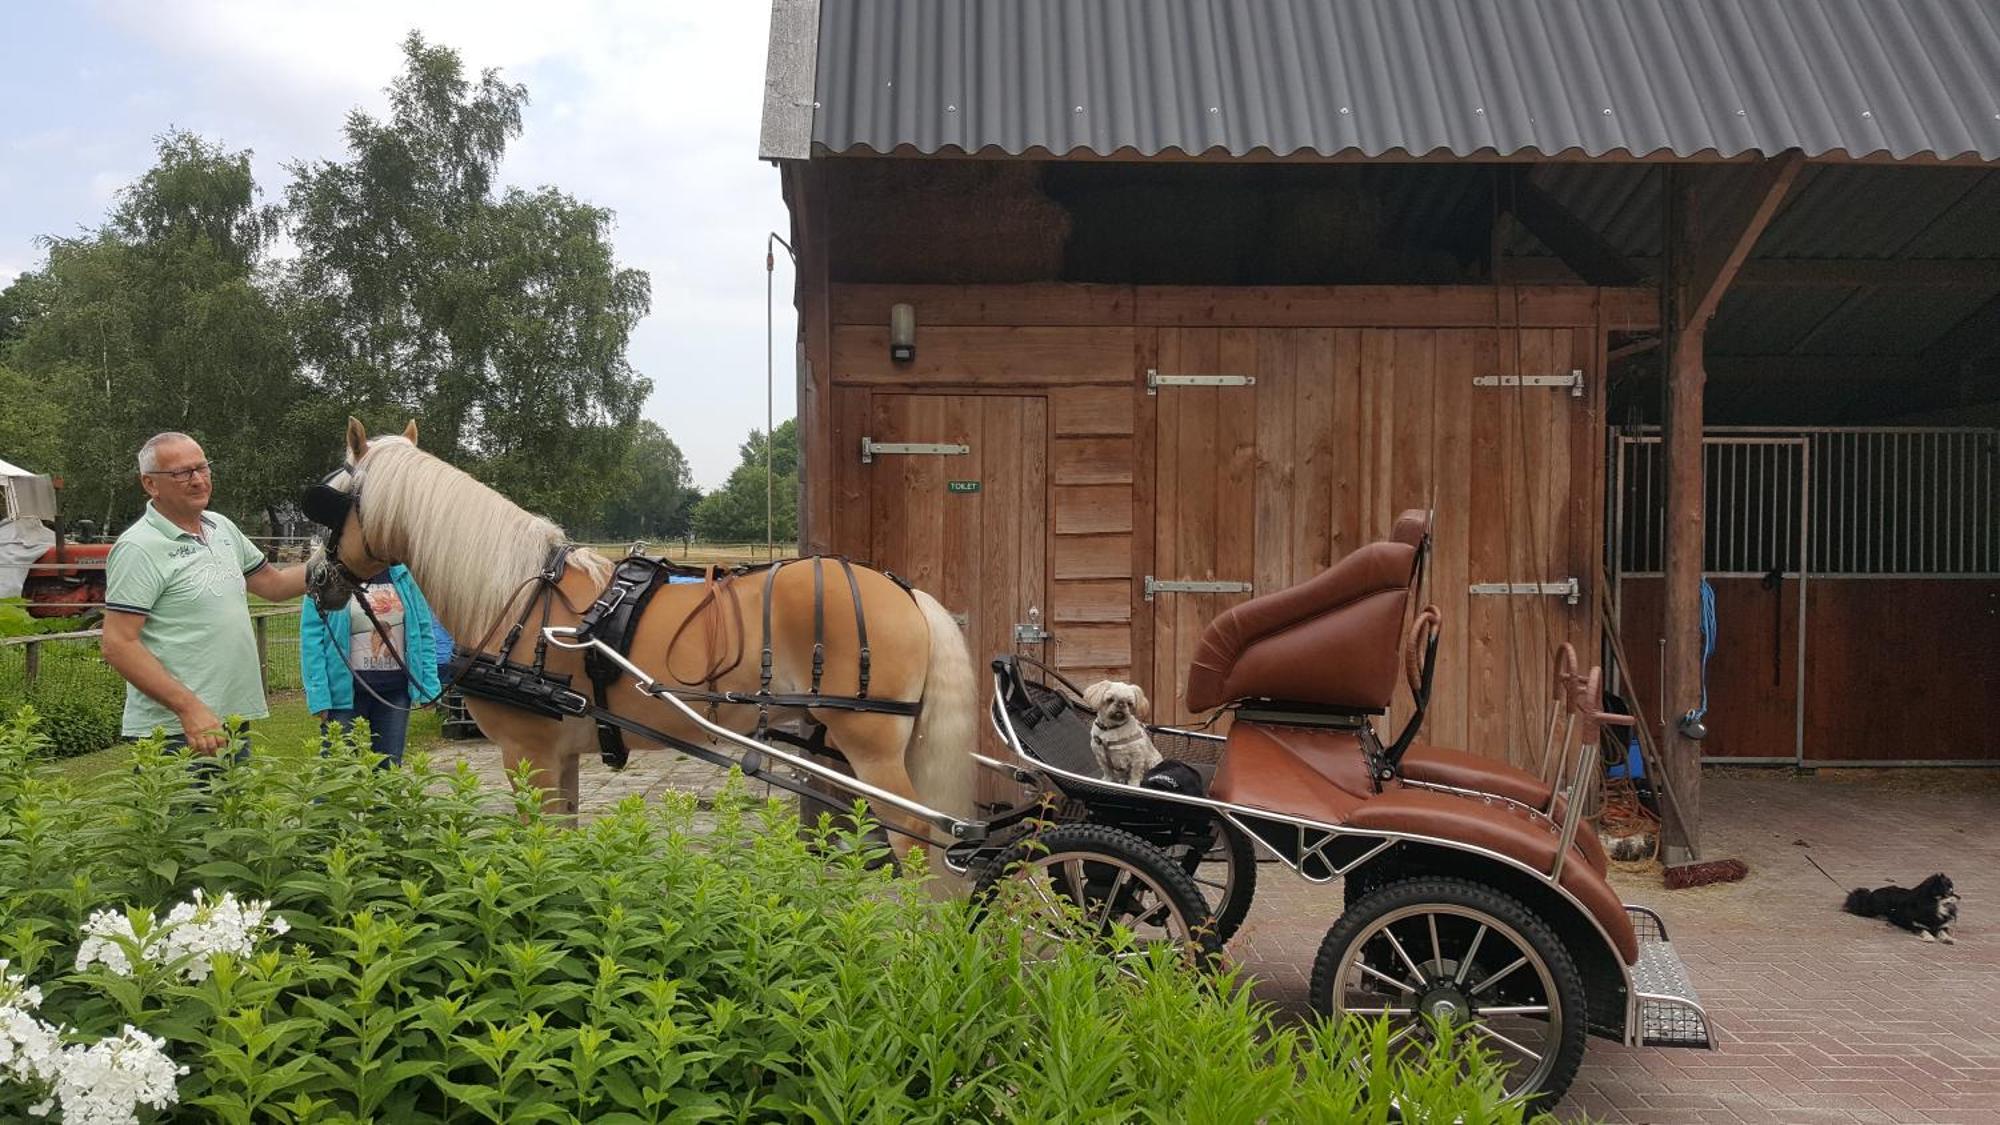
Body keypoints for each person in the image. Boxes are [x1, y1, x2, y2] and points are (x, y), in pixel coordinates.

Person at [100, 432, 308, 755]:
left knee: (232, 807)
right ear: (150, 484)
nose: (198, 480)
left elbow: (274, 585)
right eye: (182, 473)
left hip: (230, 717)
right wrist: (189, 709)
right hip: (178, 730)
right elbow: (118, 644)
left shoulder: (220, 527)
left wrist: (338, 560)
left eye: (203, 468)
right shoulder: (138, 547)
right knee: (186, 807)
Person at [301, 565, 442, 766]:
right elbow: (311, 640)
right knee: (337, 771)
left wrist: (429, 687)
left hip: (394, 694)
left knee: (389, 772)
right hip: (343, 698)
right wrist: (319, 696)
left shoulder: (403, 576)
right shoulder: (328, 575)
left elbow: (423, 631)